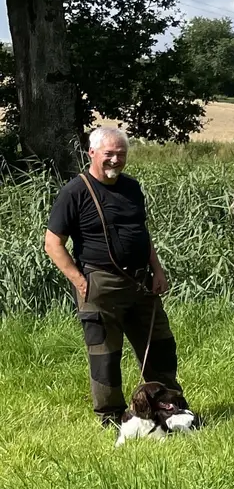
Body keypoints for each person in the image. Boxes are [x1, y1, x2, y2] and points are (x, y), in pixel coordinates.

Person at [43, 126, 185, 425]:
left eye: (121, 154)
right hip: (100, 284)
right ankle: (111, 416)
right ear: (92, 153)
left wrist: (157, 271)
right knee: (105, 355)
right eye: (109, 154)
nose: (115, 160)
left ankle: (171, 409)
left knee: (160, 346)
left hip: (141, 282)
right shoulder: (75, 191)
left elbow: (142, 234)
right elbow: (52, 243)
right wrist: (80, 280)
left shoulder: (132, 188)